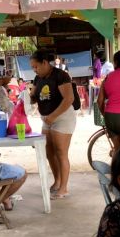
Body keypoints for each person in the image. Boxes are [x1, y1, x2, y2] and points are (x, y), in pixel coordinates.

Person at [29, 49, 76, 199]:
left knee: (61, 152)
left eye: (36, 66)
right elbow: (35, 97)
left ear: (44, 63)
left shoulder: (60, 75)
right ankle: (57, 181)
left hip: (62, 118)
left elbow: (69, 99)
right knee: (49, 152)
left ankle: (64, 188)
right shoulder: (38, 78)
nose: (34, 70)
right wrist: (29, 97)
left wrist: (53, 116)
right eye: (32, 68)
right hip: (46, 119)